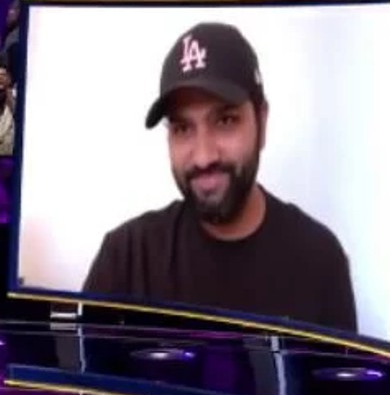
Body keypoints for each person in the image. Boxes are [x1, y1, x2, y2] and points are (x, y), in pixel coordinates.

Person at [82, 22, 356, 332]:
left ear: (262, 121)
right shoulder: (125, 258)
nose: (203, 156)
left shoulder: (320, 260)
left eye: (225, 120)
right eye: (182, 128)